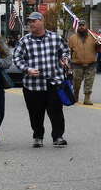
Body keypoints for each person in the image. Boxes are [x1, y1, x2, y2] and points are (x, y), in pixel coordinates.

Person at [12, 11, 71, 147]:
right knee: (35, 113)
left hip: (53, 82)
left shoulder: (55, 38)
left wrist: (65, 60)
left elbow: (66, 51)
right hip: (33, 85)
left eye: (34, 21)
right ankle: (38, 136)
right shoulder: (24, 40)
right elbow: (17, 58)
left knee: (56, 112)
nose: (31, 24)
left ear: (41, 21)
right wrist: (27, 69)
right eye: (29, 21)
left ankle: (58, 136)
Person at [68, 20, 100, 106]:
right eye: (80, 25)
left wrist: (99, 44)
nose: (81, 27)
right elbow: (69, 51)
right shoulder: (72, 38)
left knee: (89, 81)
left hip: (91, 63)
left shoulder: (93, 37)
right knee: (76, 81)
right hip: (77, 63)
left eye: (83, 25)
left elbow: (99, 49)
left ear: (87, 27)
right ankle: (75, 95)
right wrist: (69, 64)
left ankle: (87, 98)